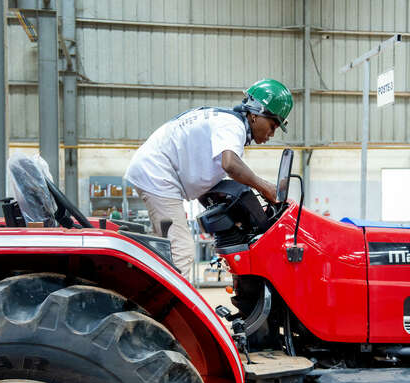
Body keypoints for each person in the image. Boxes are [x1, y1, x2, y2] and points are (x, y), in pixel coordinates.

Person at [125, 79, 293, 280]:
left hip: (155, 174)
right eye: (272, 125)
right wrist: (265, 187)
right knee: (181, 250)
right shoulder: (233, 125)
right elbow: (230, 165)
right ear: (256, 114)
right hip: (157, 176)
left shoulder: (225, 124)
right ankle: (172, 310)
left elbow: (212, 182)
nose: (272, 134)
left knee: (166, 249)